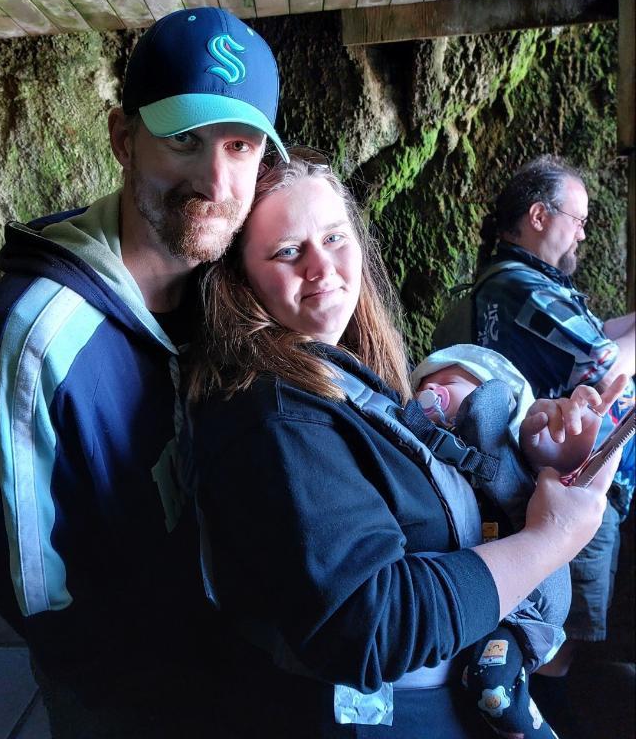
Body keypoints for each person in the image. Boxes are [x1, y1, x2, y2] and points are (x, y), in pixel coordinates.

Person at [186, 150, 624, 738]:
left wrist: (534, 455)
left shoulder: (346, 379)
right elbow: (373, 623)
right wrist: (552, 539)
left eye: (334, 238)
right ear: (241, 280)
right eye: (288, 251)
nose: (321, 267)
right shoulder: (278, 415)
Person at [0, 6, 288, 737]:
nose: (215, 179)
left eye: (240, 146)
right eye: (184, 139)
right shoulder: (40, 332)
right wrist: (151, 688)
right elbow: (33, 588)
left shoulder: (237, 288)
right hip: (122, 699)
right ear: (122, 138)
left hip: (235, 668)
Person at [435, 155, 635, 675]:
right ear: (540, 216)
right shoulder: (516, 286)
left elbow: (599, 334)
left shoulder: (518, 284)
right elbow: (605, 363)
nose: (584, 234)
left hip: (567, 486)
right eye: (579, 219)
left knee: (564, 639)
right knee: (559, 649)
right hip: (564, 487)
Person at [411, 344, 622, 738]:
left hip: (517, 606)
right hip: (462, 604)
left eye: (451, 382)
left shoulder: (499, 446)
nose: (430, 391)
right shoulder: (415, 448)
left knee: (492, 688)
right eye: (424, 383)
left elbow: (499, 420)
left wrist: (548, 447)